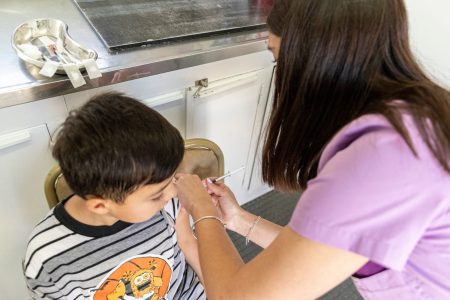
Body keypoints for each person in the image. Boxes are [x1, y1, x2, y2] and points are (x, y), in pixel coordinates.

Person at [173, 0, 450, 299]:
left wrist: (202, 211)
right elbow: (316, 250)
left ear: (317, 61)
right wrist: (239, 219)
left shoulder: (384, 159)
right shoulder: (417, 118)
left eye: (280, 62)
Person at [23, 92, 205, 300]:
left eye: (172, 180)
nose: (173, 192)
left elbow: (188, 242)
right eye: (157, 195)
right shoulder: (47, 258)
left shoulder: (166, 203)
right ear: (100, 206)